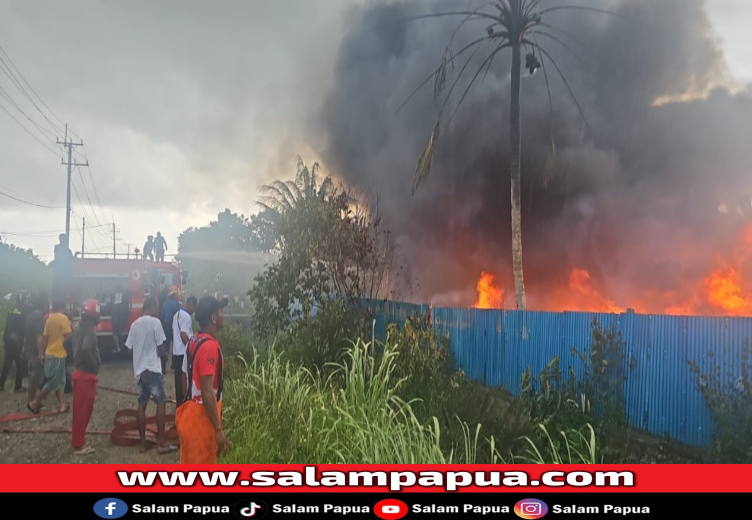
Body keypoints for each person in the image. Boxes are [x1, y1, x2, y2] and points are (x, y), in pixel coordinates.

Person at [175, 296, 230, 463]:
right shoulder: (209, 347)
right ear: (213, 318)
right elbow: (207, 391)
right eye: (221, 311)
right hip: (202, 420)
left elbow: (184, 375)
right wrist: (218, 429)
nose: (223, 315)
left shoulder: (194, 340)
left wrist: (191, 402)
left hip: (191, 413)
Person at [124, 298, 176, 454]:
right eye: (156, 308)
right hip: (153, 369)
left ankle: (142, 444)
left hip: (140, 372)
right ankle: (161, 443)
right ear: (152, 308)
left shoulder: (134, 325)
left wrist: (140, 354)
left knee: (142, 406)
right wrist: (165, 356)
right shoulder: (155, 323)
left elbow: (129, 350)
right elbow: (161, 348)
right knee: (161, 403)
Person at [28, 299, 71, 414]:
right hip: (59, 354)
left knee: (60, 381)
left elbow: (44, 338)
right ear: (62, 307)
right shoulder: (63, 318)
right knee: (54, 381)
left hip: (49, 353)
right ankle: (35, 402)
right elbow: (68, 335)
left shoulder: (48, 319)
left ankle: (62, 406)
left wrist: (42, 353)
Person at [71, 299, 101, 455]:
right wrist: (95, 364)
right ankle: (79, 445)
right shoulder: (89, 331)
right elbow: (86, 348)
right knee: (84, 412)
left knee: (79, 412)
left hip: (78, 373)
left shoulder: (77, 328)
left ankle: (79, 441)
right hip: (86, 375)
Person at [172, 295, 197, 405]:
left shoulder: (176, 315)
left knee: (178, 381)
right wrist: (191, 349)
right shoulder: (187, 317)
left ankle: (179, 405)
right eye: (194, 308)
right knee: (185, 379)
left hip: (176, 352)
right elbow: (183, 335)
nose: (194, 311)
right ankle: (185, 404)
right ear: (191, 305)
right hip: (183, 353)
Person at [0, 293, 27, 392]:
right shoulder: (23, 314)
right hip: (17, 343)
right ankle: (18, 387)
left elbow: (8, 327)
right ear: (22, 303)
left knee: (7, 365)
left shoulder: (11, 312)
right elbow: (23, 329)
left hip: (8, 341)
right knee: (19, 365)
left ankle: (1, 384)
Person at [23, 293, 47, 406]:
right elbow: (39, 336)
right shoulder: (38, 318)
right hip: (34, 351)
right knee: (34, 377)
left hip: (29, 349)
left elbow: (26, 334)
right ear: (45, 305)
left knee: (34, 376)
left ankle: (32, 400)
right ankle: (31, 402)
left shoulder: (30, 315)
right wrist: (41, 353)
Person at [160, 286, 180, 368]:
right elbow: (178, 316)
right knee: (175, 344)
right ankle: (174, 364)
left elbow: (162, 316)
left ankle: (163, 365)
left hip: (165, 324)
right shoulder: (176, 304)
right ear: (174, 295)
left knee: (166, 344)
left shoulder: (164, 304)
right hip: (173, 325)